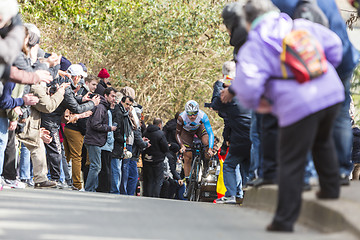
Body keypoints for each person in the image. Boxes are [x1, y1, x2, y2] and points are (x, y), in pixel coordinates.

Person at [232, 0, 344, 231]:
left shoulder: (256, 44)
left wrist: (258, 104)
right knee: (322, 141)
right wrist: (323, 73)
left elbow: (246, 85)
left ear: (248, 21)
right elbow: (335, 45)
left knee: (291, 161)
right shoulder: (300, 25)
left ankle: (284, 221)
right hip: (332, 93)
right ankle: (330, 188)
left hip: (297, 106)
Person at [272, 0, 360, 186]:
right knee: (340, 114)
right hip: (336, 58)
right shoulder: (326, 4)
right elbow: (339, 50)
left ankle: (310, 171)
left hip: (309, 61)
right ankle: (341, 171)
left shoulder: (284, 6)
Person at [211, 61, 252, 204]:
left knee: (229, 164)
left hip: (240, 134)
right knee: (246, 165)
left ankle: (231, 195)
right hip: (254, 133)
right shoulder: (248, 86)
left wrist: (218, 85)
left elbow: (216, 104)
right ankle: (247, 196)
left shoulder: (230, 93)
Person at [176, 100, 214, 196]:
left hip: (199, 128)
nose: (192, 116)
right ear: (186, 112)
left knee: (206, 143)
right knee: (187, 156)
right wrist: (182, 145)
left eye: (194, 114)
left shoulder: (202, 116)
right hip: (186, 132)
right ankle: (188, 183)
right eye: (190, 114)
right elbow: (177, 134)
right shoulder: (181, 117)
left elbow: (210, 133)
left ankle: (206, 165)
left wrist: (210, 148)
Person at [84, 87, 117, 192]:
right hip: (94, 140)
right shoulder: (101, 108)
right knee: (96, 166)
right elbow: (95, 124)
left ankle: (91, 188)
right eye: (112, 96)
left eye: (115, 97)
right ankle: (89, 189)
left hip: (97, 140)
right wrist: (109, 128)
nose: (114, 99)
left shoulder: (104, 107)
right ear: (106, 96)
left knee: (96, 166)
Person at [142, 118, 169, 197]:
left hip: (147, 159)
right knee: (157, 180)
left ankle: (148, 195)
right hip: (158, 160)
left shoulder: (145, 132)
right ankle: (155, 196)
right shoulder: (160, 134)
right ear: (160, 124)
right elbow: (165, 148)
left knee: (149, 179)